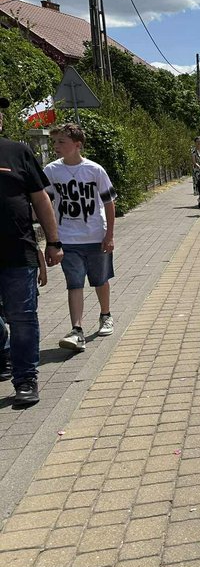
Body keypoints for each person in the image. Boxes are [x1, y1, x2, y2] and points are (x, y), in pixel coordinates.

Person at [0, 96, 63, 406]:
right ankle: (4, 352)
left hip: (18, 251)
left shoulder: (18, 152)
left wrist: (53, 242)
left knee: (22, 317)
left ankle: (26, 379)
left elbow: (41, 200)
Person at [43, 123, 117, 354]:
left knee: (100, 279)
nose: (56, 146)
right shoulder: (51, 171)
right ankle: (77, 330)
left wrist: (109, 235)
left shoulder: (94, 170)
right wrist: (51, 239)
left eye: (61, 142)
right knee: (74, 283)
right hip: (67, 238)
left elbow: (109, 203)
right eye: (54, 142)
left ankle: (105, 315)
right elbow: (45, 203)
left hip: (95, 235)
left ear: (77, 145)